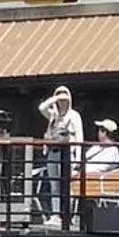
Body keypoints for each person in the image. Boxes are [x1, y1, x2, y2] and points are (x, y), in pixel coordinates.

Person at [34, 84, 83, 219]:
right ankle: (56, 214)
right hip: (52, 153)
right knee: (54, 185)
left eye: (64, 98)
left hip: (67, 154)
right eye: (60, 98)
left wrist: (78, 160)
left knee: (66, 186)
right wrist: (55, 98)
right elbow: (41, 107)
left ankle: (67, 215)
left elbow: (79, 137)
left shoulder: (74, 116)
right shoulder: (53, 115)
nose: (62, 101)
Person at [84, 118, 119, 189]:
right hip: (84, 177)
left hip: (95, 183)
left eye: (100, 130)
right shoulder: (96, 147)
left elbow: (101, 169)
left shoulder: (113, 152)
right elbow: (84, 159)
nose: (98, 132)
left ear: (104, 132)